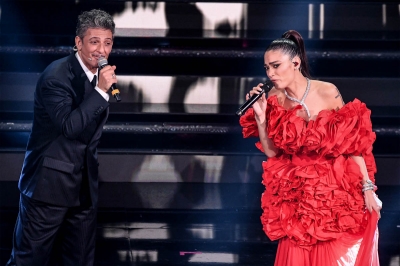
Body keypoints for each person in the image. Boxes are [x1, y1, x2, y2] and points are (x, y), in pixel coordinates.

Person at [239, 30, 382, 266]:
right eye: (266, 68)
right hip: (296, 194)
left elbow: (352, 143)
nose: (270, 74)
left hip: (331, 191)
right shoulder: (273, 98)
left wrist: (367, 187)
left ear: (295, 63)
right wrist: (261, 118)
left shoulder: (328, 92)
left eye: (276, 66)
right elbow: (272, 152)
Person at [7, 9, 118, 266]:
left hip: (83, 190)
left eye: (108, 43)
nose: (101, 50)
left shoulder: (96, 78)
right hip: (48, 187)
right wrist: (101, 92)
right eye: (94, 42)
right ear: (78, 42)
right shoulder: (56, 77)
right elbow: (70, 127)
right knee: (28, 260)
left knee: (79, 260)